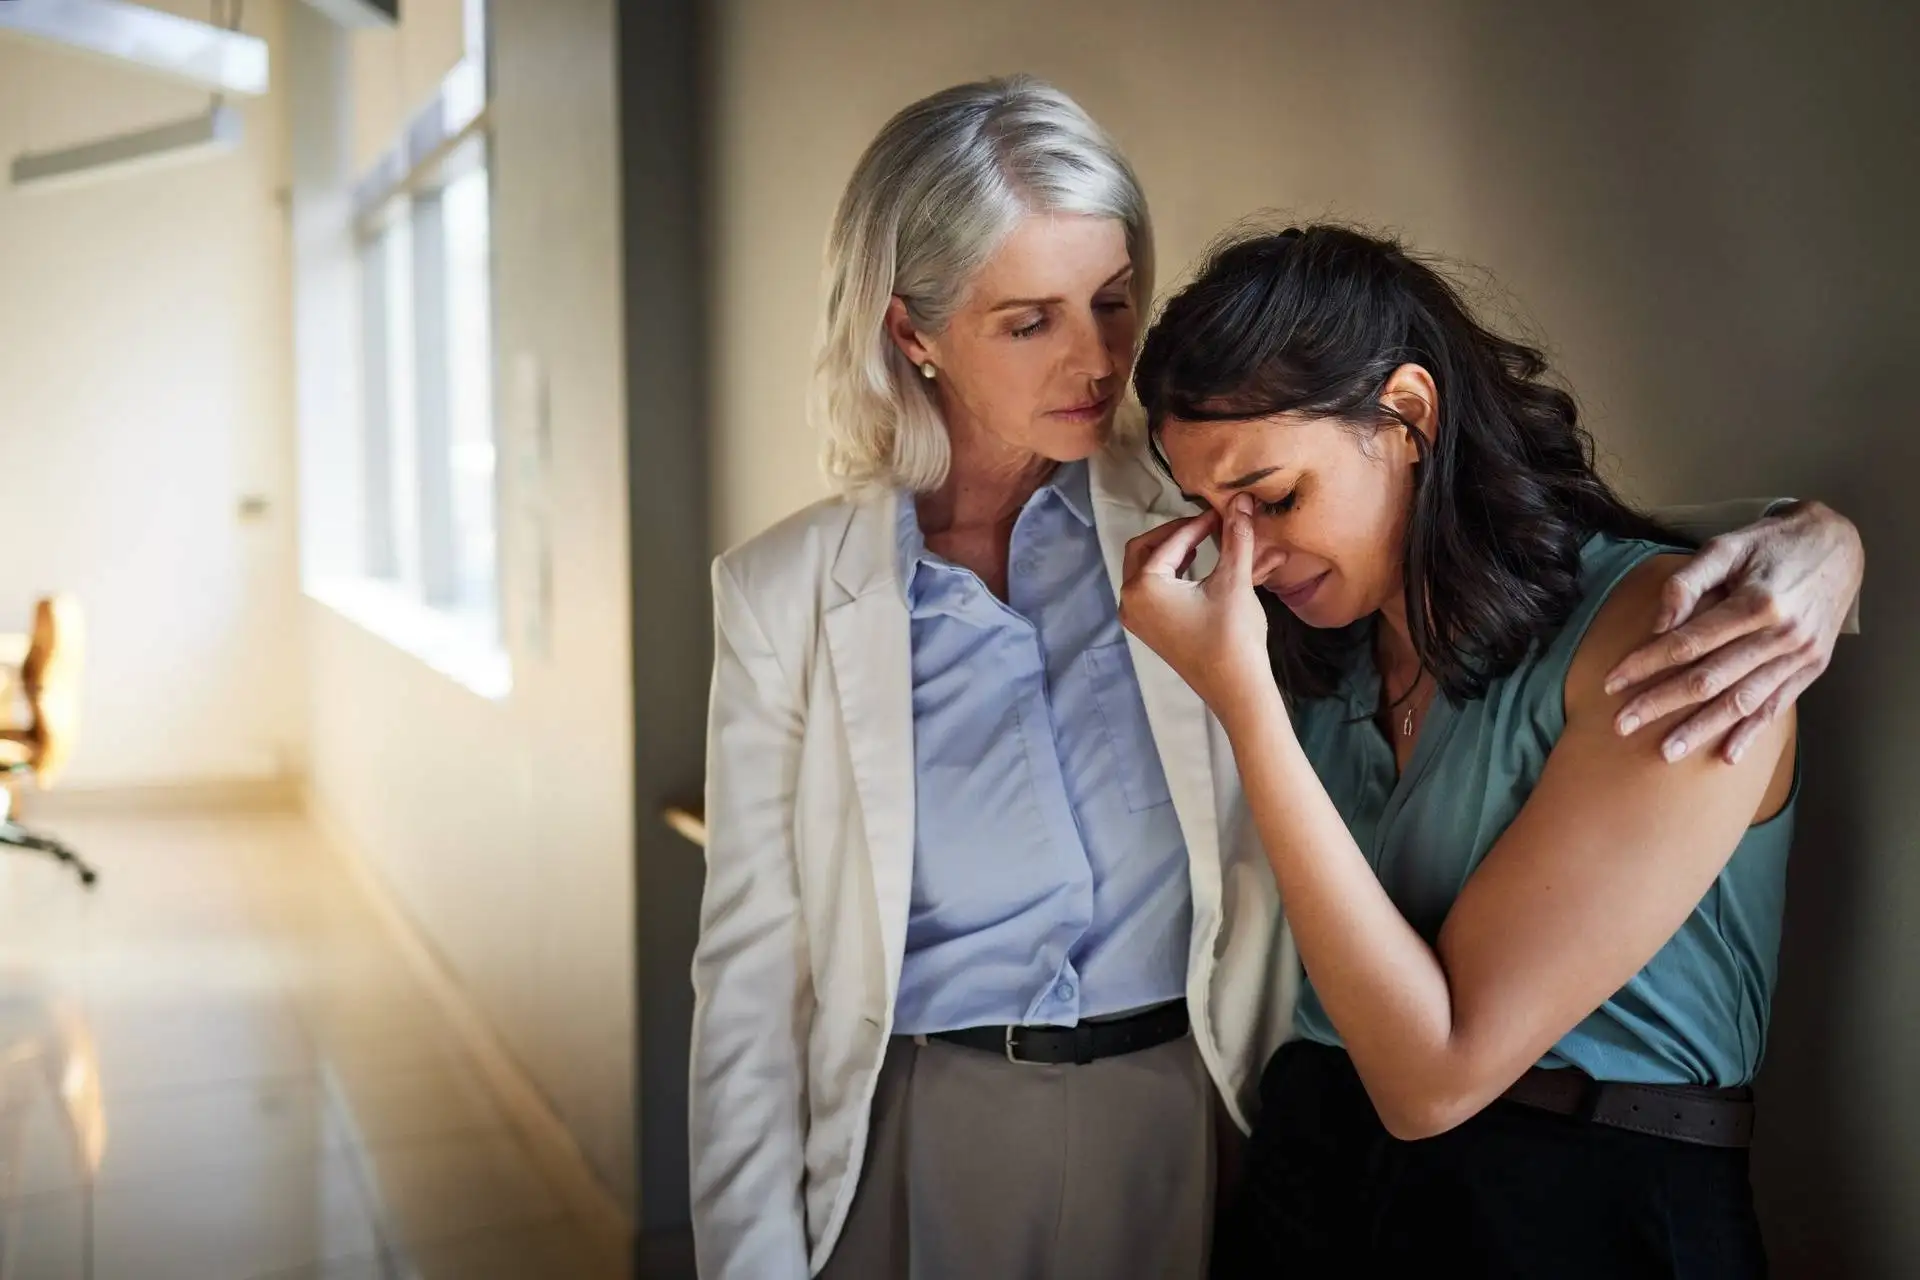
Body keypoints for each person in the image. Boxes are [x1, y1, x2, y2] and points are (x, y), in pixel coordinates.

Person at [689, 79, 1864, 1279]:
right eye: (1030, 319)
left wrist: (1819, 543)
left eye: (1112, 301)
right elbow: (747, 982)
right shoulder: (815, 591)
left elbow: (1547, 541)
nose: (1100, 361)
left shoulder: (1213, 540)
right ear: (913, 331)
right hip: (964, 1124)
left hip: (1221, 1126)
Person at [1118, 223, 1855, 1278]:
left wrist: (1828, 536)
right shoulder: (1321, 651)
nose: (1250, 558)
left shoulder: (1676, 634)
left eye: (1273, 497)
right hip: (1312, 1176)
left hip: (1588, 1203)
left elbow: (1433, 1078)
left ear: (1409, 413)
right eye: (1208, 513)